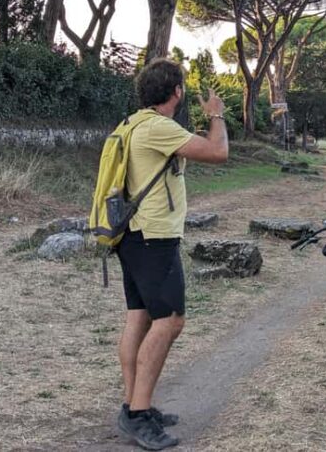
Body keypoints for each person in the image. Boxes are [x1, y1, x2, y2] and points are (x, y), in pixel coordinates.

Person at [116, 59, 229, 450]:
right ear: (177, 92)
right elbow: (217, 152)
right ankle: (137, 414)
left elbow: (186, 148)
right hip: (153, 238)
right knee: (171, 321)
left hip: (131, 236)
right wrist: (216, 115)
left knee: (140, 318)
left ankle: (135, 405)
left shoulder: (135, 123)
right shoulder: (159, 127)